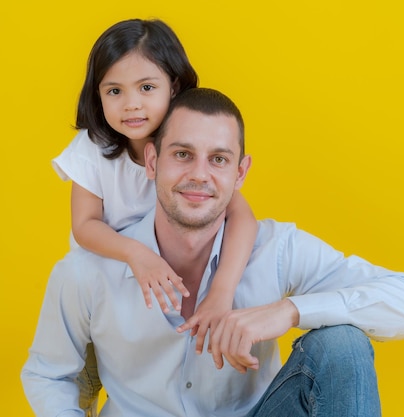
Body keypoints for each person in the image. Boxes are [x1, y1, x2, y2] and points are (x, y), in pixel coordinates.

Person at [22, 88, 404, 417]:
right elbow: (48, 373)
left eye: (218, 159)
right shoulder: (86, 272)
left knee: (342, 345)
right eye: (182, 154)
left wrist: (287, 312)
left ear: (240, 173)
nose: (199, 175)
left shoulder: (276, 249)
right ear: (152, 162)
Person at [52, 19, 258, 415]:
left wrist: (222, 291)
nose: (131, 104)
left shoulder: (185, 147)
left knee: (156, 386)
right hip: (107, 299)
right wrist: (137, 255)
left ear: (175, 87)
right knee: (75, 388)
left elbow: (243, 218)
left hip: (162, 305)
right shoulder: (92, 149)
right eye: (114, 91)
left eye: (146, 88)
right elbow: (85, 226)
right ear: (97, 97)